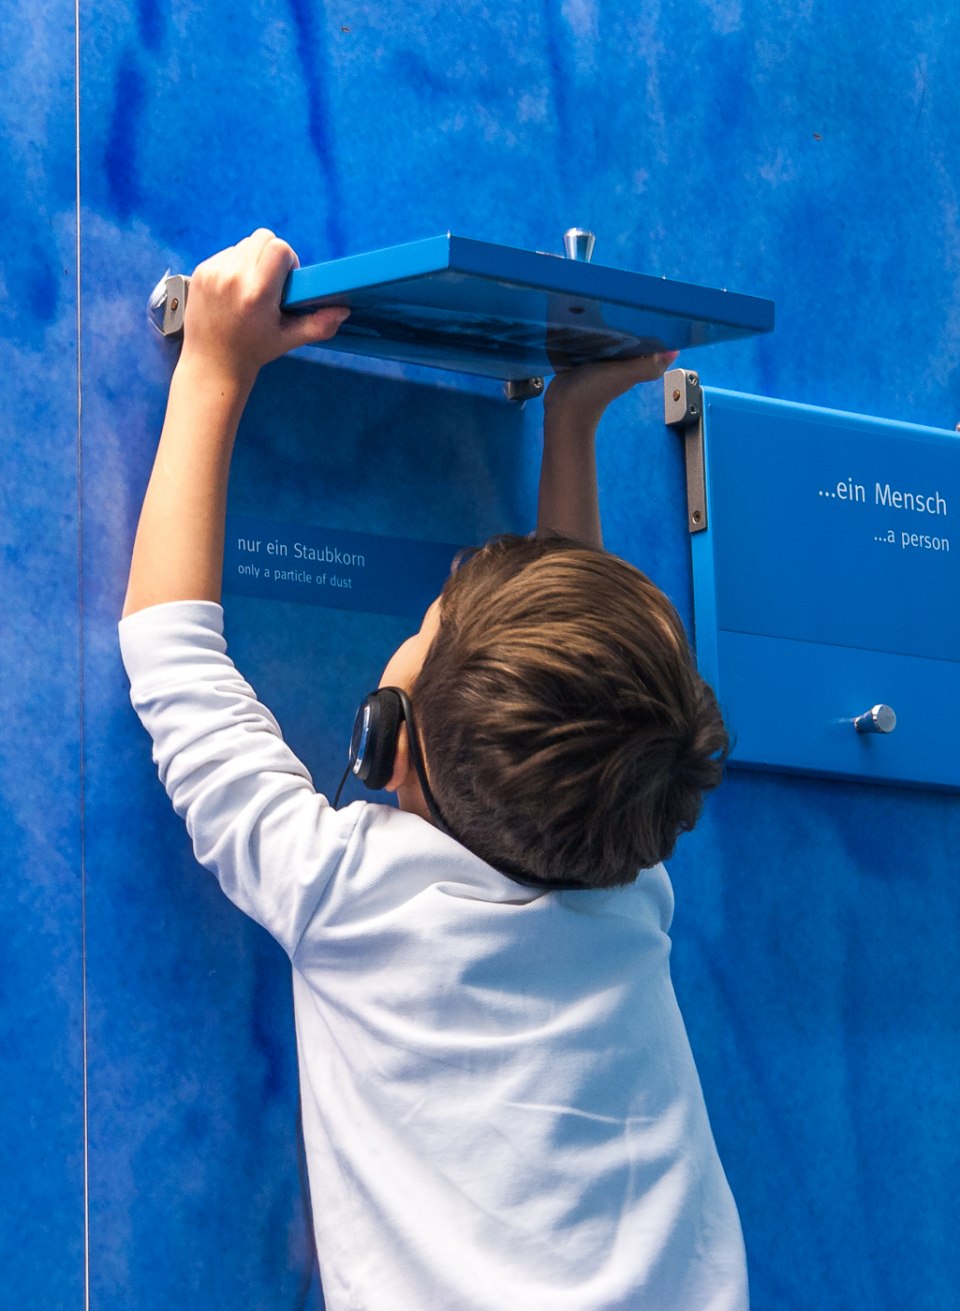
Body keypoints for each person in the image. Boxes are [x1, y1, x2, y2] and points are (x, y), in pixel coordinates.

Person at [120, 229, 748, 1309]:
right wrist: (572, 421)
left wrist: (215, 367)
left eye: (423, 625)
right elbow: (586, 687)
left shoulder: (345, 894)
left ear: (388, 743)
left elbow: (171, 652)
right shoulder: (625, 868)